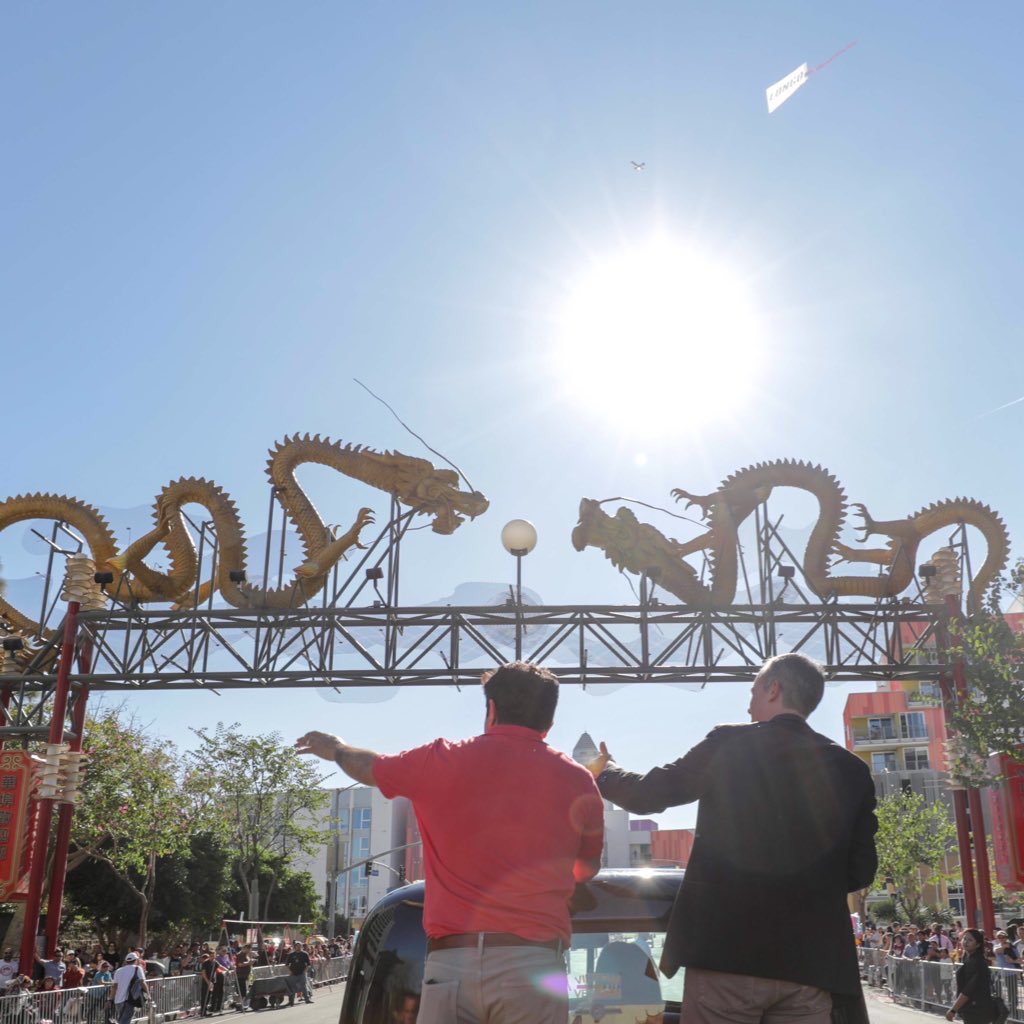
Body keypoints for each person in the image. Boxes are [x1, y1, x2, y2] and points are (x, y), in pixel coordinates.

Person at [296, 660, 605, 1024]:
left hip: (451, 964)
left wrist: (335, 748)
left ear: (491, 709)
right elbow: (585, 869)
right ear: (549, 721)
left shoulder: (441, 759)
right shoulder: (579, 781)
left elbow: (370, 768)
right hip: (533, 964)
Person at [588, 652, 877, 1024]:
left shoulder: (729, 743)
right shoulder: (851, 769)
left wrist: (606, 772)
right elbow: (860, 871)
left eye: (754, 688)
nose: (748, 701)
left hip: (726, 956)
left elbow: (651, 794)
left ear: (774, 689)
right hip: (811, 968)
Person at [947, 929, 995, 1024]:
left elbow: (969, 990)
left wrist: (953, 1010)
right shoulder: (969, 958)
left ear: (978, 944)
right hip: (972, 1008)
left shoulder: (977, 961)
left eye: (970, 940)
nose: (965, 942)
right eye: (964, 939)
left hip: (977, 1009)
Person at [111, 952, 148, 1024]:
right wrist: (148, 995)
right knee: (125, 1021)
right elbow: (142, 982)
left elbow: (114, 987)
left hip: (118, 1001)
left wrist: (110, 999)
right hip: (130, 1001)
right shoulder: (137, 969)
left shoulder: (118, 971)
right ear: (136, 960)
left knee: (122, 1020)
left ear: (126, 961)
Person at [284, 942, 312, 1006]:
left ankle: (307, 999)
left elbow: (308, 964)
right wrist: (290, 971)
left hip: (302, 973)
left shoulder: (305, 954)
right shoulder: (291, 955)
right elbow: (287, 964)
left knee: (303, 986)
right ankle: (291, 1001)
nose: (298, 947)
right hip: (293, 973)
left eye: (299, 946)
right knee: (292, 987)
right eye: (297, 946)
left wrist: (305, 971)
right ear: (295, 947)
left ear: (301, 947)